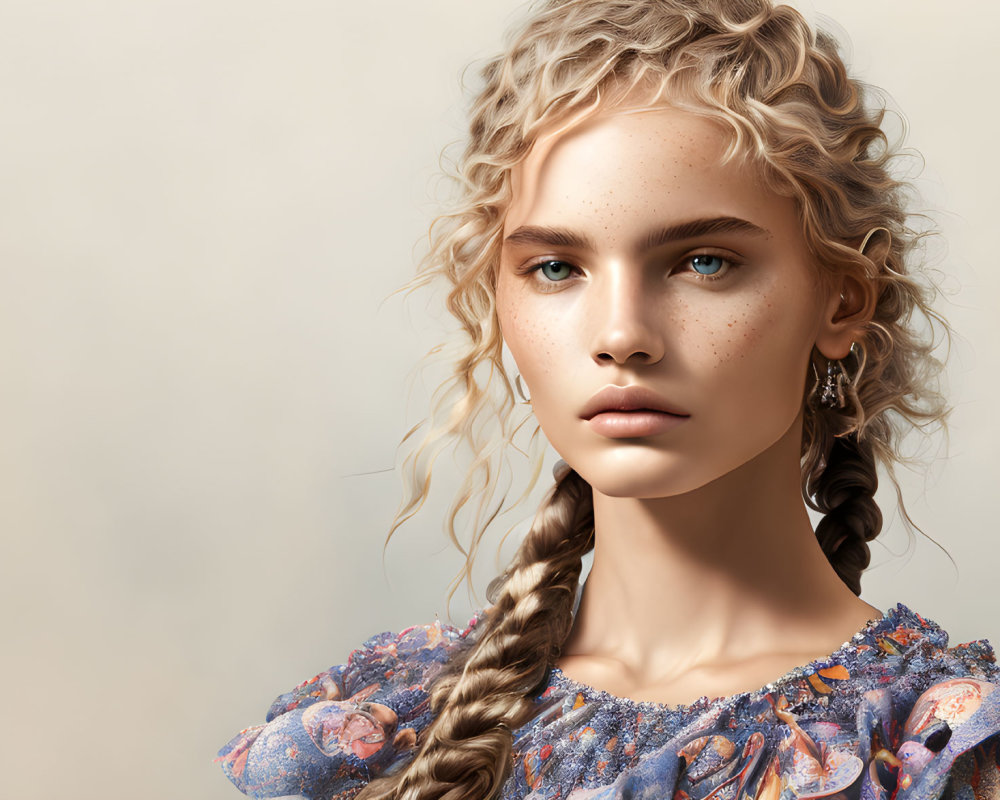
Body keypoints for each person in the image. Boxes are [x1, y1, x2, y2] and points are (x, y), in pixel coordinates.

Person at [216, 0, 1000, 797]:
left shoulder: (932, 746)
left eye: (703, 262)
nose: (621, 335)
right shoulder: (387, 727)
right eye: (556, 268)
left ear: (840, 302)